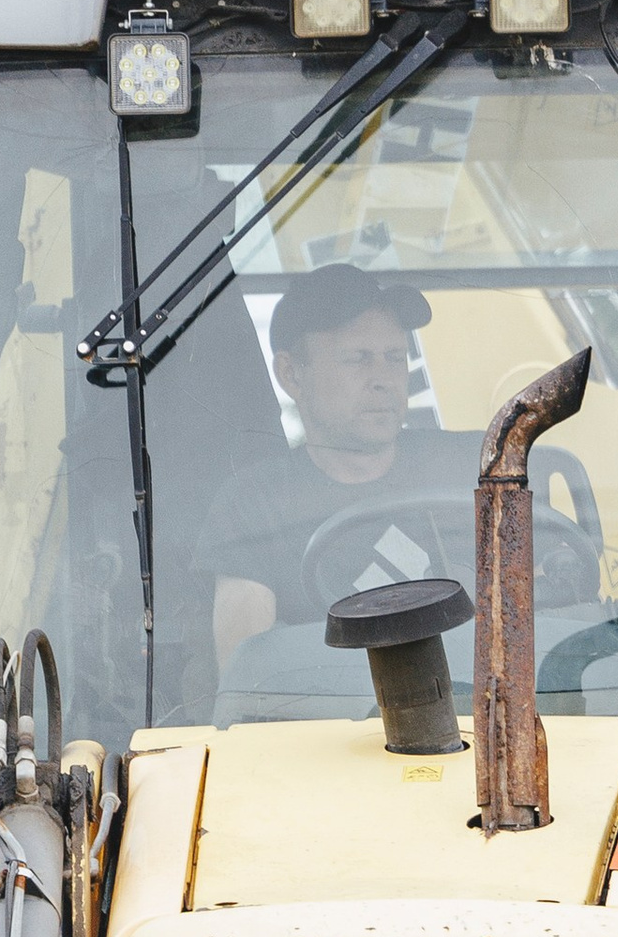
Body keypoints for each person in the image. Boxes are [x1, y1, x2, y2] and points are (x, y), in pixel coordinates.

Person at [193, 267, 454, 690]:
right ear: (292, 375)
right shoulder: (254, 505)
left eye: (394, 358)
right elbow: (248, 687)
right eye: (357, 359)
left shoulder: (466, 469)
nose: (383, 380)